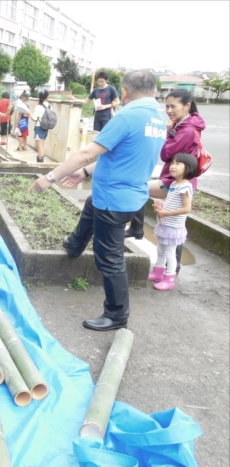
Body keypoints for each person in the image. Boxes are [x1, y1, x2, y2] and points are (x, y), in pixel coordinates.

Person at [31, 70, 166, 331]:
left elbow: (87, 152)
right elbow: (118, 155)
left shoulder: (127, 116)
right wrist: (85, 172)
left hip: (114, 198)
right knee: (90, 208)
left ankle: (116, 315)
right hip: (123, 194)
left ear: (124, 92)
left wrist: (50, 177)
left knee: (109, 257)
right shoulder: (156, 120)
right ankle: (74, 244)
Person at [125, 89, 205, 271]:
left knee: (137, 188)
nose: (169, 110)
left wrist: (168, 133)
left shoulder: (187, 130)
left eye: (173, 106)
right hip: (177, 180)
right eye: (167, 106)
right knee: (174, 226)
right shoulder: (186, 125)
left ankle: (138, 229)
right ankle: (171, 267)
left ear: (186, 106)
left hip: (175, 183)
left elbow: (165, 153)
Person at [149, 153, 197, 291]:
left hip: (174, 226)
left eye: (178, 164)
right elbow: (171, 202)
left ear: (188, 168)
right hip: (166, 223)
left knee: (170, 252)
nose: (173, 166)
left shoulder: (185, 187)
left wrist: (166, 213)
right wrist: (160, 206)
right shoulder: (175, 184)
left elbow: (187, 208)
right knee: (161, 249)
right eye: (172, 163)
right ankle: (158, 272)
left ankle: (169, 278)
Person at [30, 89, 50, 163]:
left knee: (39, 147)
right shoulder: (49, 106)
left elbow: (35, 119)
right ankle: (41, 161)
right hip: (46, 127)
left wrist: (29, 114)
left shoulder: (38, 107)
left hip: (39, 127)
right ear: (47, 96)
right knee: (42, 146)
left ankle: (40, 164)